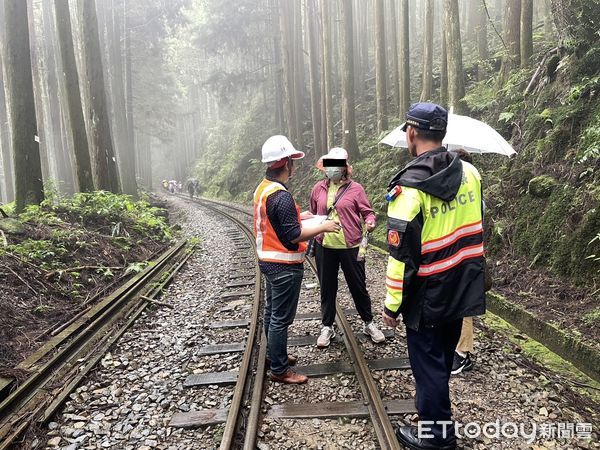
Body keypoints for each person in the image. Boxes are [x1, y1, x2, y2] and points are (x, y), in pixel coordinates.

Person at [382, 103, 486, 450]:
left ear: (411, 133)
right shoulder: (471, 175)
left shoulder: (407, 189)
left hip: (427, 296)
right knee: (440, 362)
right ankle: (432, 417)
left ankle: (437, 437)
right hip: (462, 288)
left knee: (428, 367)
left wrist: (391, 305)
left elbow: (400, 259)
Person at [253, 135, 340, 385]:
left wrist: (300, 215)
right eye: (292, 160)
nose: (295, 165)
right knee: (281, 318)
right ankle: (279, 369)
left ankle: (274, 355)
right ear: (285, 163)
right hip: (284, 265)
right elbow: (293, 234)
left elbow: (275, 220)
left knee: (271, 312)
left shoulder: (264, 188)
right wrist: (324, 226)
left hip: (268, 261)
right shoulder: (280, 196)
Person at [309, 147, 385, 347]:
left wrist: (370, 221)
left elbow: (368, 212)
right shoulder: (318, 188)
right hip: (324, 245)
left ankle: (369, 323)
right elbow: (313, 213)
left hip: (351, 246)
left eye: (337, 165)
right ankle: (327, 326)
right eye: (329, 165)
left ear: (345, 168)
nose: (332, 169)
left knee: (358, 286)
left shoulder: (356, 189)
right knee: (327, 287)